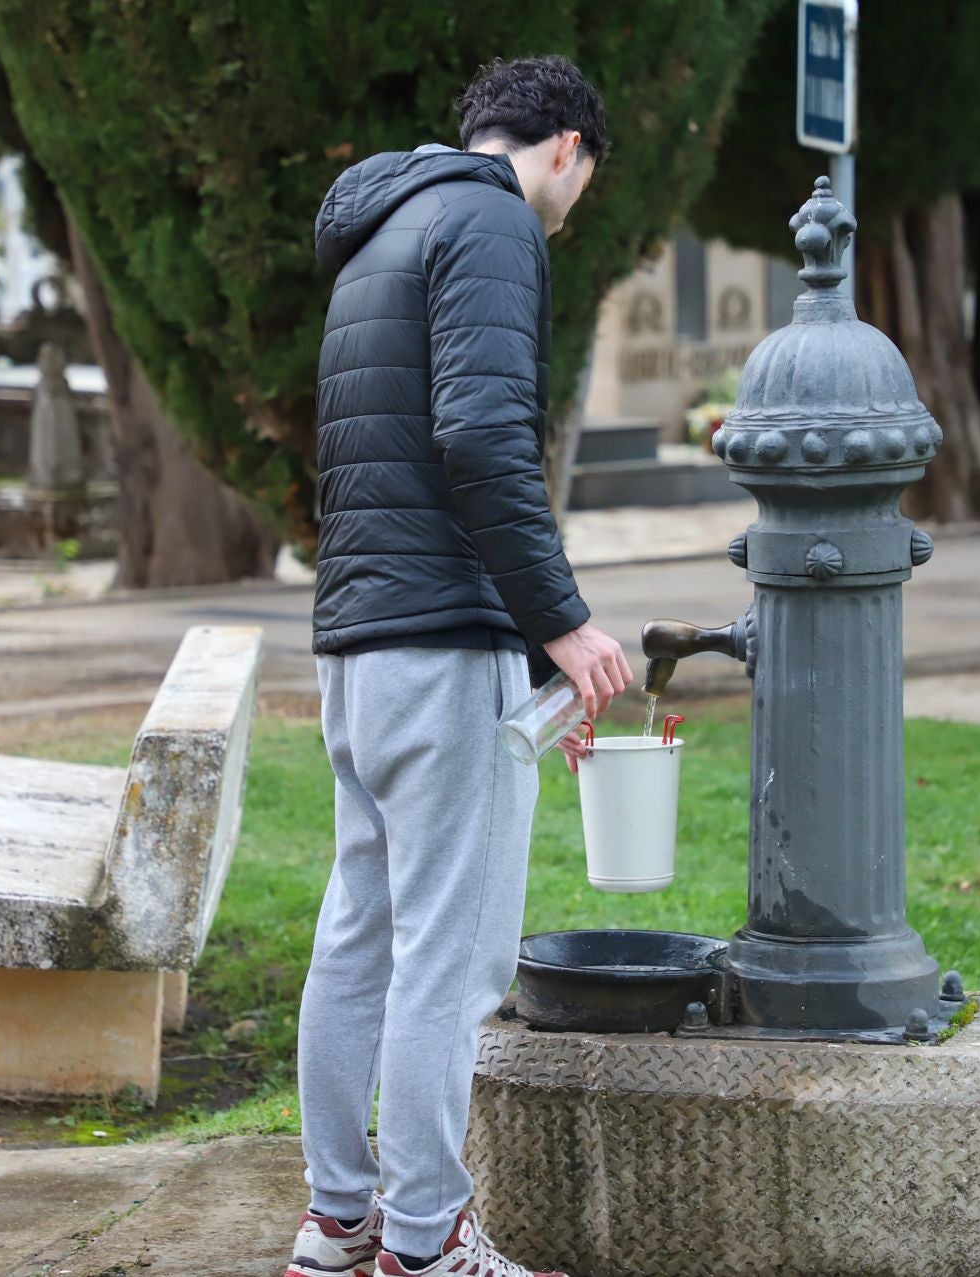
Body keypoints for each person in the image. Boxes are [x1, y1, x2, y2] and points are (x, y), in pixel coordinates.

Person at [287, 55, 629, 1277]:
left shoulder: (384, 226)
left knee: (360, 935)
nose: (573, 205)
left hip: (359, 644)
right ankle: (427, 1241)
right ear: (567, 148)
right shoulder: (493, 223)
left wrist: (529, 654)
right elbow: (481, 436)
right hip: (441, 645)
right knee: (449, 952)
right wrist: (564, 623)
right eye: (585, 179)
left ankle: (339, 1222)